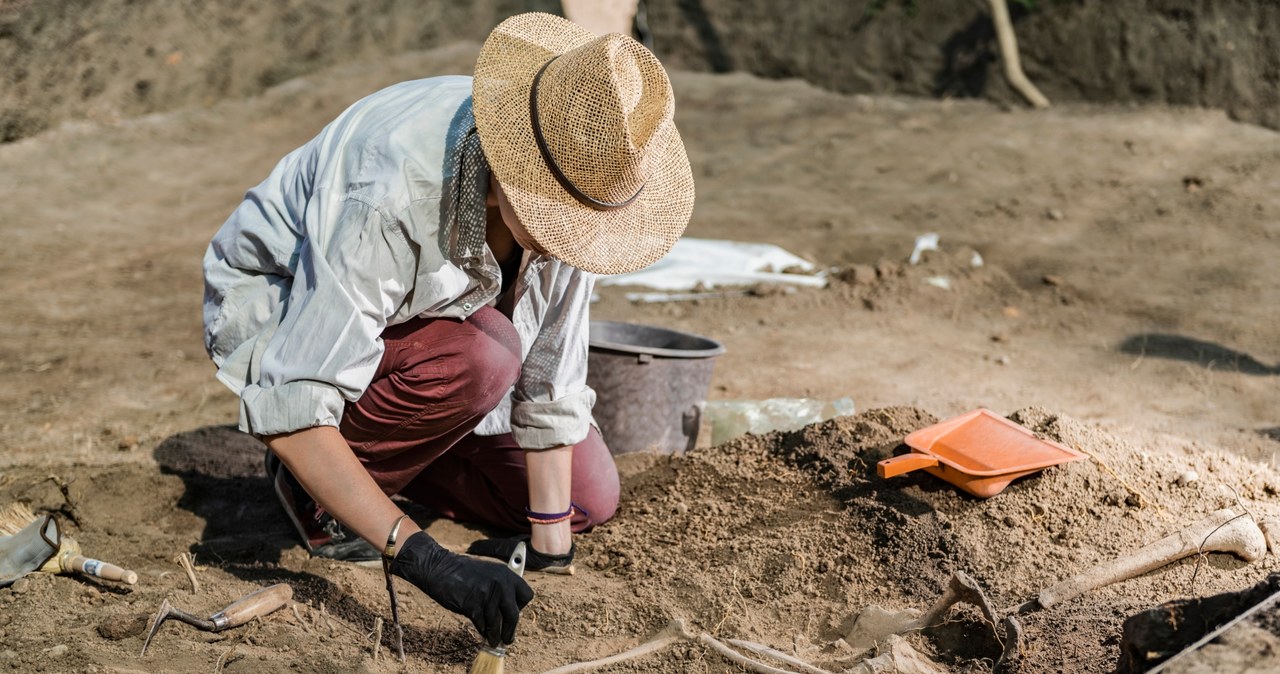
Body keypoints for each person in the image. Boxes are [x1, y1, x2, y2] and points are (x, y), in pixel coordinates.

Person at [200, 12, 694, 650]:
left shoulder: (587, 176)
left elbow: (552, 377)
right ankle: (312, 490)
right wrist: (425, 559)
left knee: (587, 499)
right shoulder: (389, 191)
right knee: (484, 356)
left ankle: (400, 447)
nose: (572, 240)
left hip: (433, 339)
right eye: (557, 217)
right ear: (509, 179)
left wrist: (549, 548)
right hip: (285, 311)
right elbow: (292, 402)